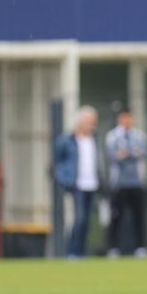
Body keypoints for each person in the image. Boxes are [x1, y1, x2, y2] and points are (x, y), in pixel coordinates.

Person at [53, 106, 104, 259]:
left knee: (87, 221)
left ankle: (81, 251)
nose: (92, 125)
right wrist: (65, 179)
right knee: (79, 218)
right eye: (89, 122)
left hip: (92, 184)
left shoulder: (95, 139)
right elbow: (58, 163)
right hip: (77, 185)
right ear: (81, 122)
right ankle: (72, 251)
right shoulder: (67, 140)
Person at [105, 106, 147, 258]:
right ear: (120, 118)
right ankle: (113, 248)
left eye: (129, 117)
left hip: (137, 183)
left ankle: (141, 247)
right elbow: (114, 156)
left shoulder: (139, 135)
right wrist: (131, 153)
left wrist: (126, 153)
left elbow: (143, 153)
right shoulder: (112, 136)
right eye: (124, 117)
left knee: (139, 216)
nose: (127, 120)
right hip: (119, 183)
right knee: (116, 217)